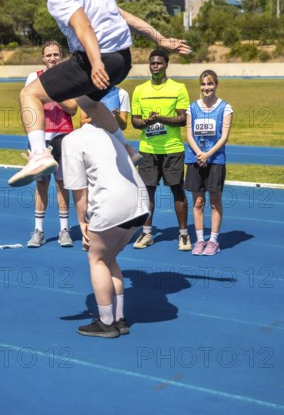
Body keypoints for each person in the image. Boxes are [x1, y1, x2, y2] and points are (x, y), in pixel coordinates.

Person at [8, 0, 191, 187]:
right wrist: (160, 39)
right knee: (88, 102)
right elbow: (125, 17)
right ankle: (125, 148)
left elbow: (84, 27)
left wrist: (95, 63)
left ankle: (39, 155)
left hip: (100, 58)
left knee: (29, 94)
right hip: (123, 61)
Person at [61, 124, 150, 338]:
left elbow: (79, 190)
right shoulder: (109, 133)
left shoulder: (70, 140)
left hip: (114, 203)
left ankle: (106, 322)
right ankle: (119, 319)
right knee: (110, 259)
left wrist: (82, 222)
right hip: (140, 201)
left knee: (97, 259)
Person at [131, 49, 191, 251]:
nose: (155, 66)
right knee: (147, 193)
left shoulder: (178, 88)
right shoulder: (140, 90)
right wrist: (146, 121)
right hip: (147, 149)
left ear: (166, 65)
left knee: (177, 190)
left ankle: (183, 235)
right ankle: (147, 234)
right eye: (152, 63)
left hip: (172, 149)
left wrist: (160, 119)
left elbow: (183, 119)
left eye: (158, 63)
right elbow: (135, 122)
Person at [25, 41, 78, 248]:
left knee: (63, 184)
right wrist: (31, 142)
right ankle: (38, 230)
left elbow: (73, 108)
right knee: (41, 184)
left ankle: (64, 229)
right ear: (43, 58)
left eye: (56, 55)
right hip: (40, 138)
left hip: (64, 136)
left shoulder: (71, 77)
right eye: (49, 55)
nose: (53, 58)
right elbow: (28, 109)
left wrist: (53, 93)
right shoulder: (33, 78)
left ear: (61, 56)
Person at [185, 69, 233, 256]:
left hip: (215, 159)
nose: (207, 88)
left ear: (216, 85)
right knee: (197, 201)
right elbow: (189, 135)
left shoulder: (225, 108)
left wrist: (208, 154)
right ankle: (199, 240)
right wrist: (199, 154)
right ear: (200, 86)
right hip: (195, 158)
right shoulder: (192, 108)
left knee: (214, 201)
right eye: (204, 84)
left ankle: (213, 241)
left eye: (210, 84)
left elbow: (224, 137)